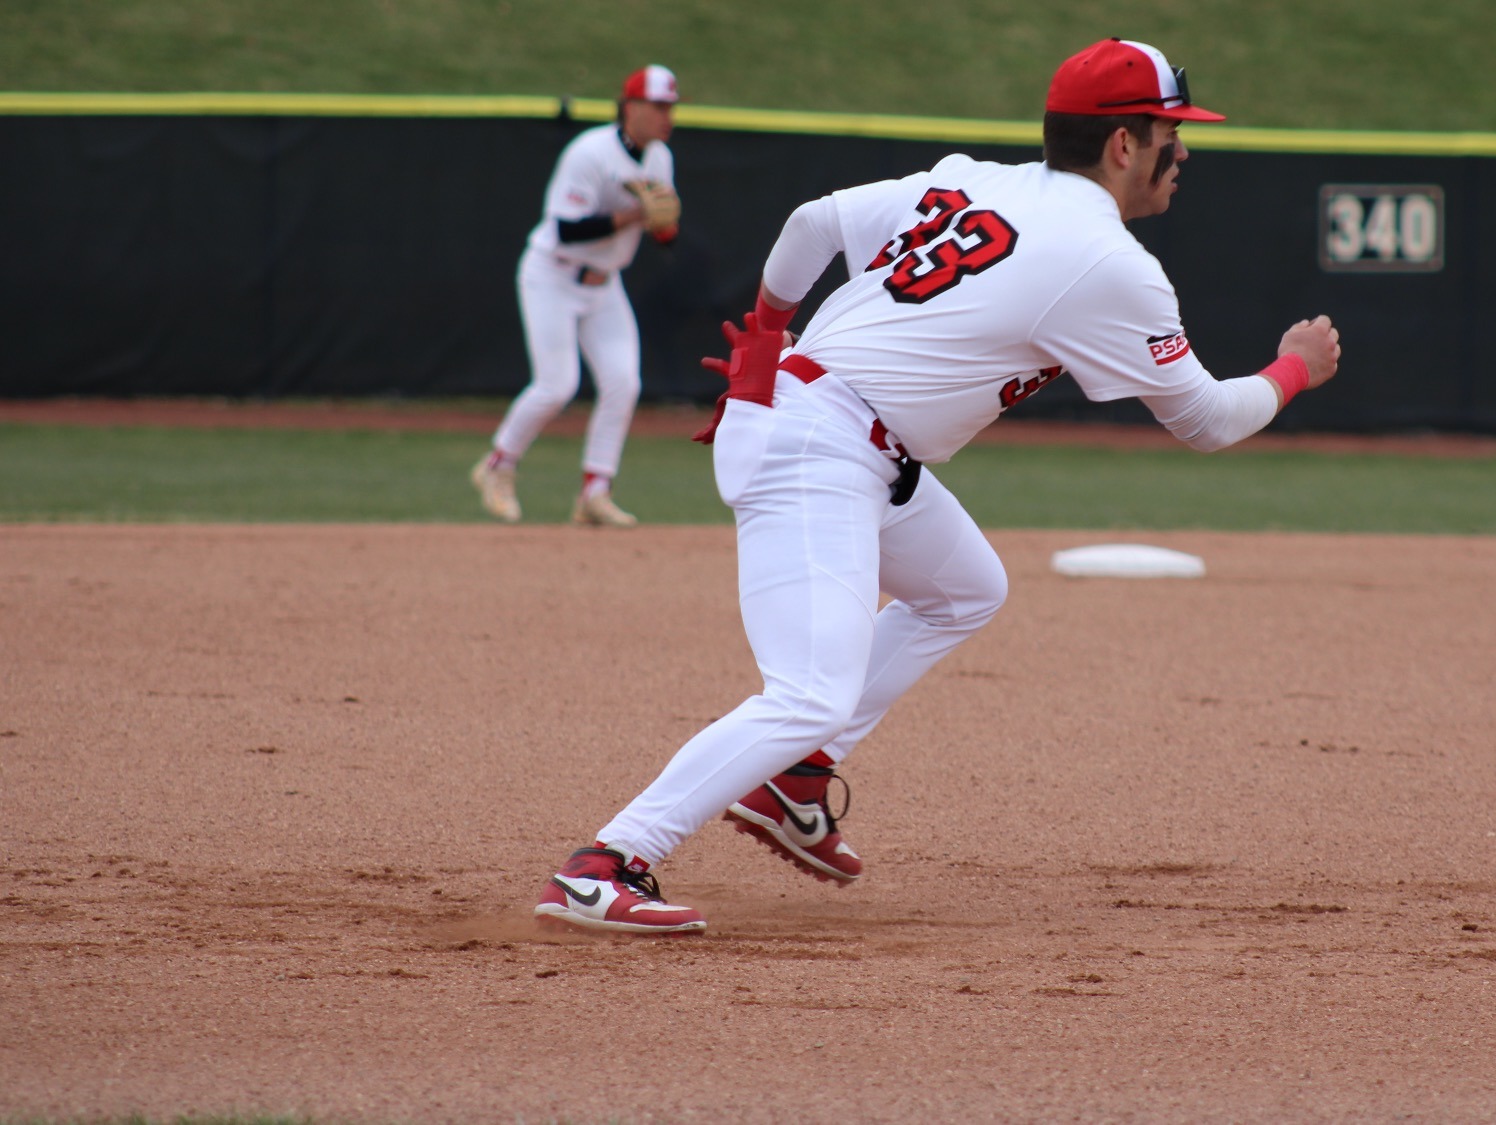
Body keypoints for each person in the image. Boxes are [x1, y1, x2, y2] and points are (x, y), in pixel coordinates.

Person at [532, 39, 1342, 934]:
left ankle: (793, 779)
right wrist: (1293, 368)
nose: (1180, 151)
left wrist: (767, 328)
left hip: (841, 432)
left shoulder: (975, 180)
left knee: (966, 590)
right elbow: (1208, 419)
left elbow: (812, 223)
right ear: (1122, 145)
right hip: (821, 444)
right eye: (1168, 133)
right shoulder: (1109, 261)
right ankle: (607, 862)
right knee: (808, 688)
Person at [471, 65, 685, 528]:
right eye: (659, 106)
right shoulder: (589, 153)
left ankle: (595, 492)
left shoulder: (659, 158)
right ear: (630, 107)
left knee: (623, 382)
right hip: (552, 274)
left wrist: (664, 226)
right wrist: (632, 216)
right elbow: (566, 230)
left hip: (604, 284)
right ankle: (496, 467)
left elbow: (664, 235)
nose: (667, 116)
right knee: (556, 385)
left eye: (671, 106)